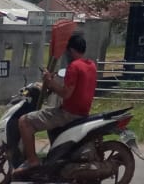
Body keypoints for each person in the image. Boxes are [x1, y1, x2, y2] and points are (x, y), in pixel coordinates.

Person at [15, 32, 98, 174]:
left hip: (68, 114)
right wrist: (53, 83)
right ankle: (57, 160)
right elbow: (76, 89)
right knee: (51, 124)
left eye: (67, 50)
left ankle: (32, 160)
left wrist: (49, 81)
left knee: (24, 122)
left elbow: (66, 93)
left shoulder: (74, 67)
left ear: (71, 50)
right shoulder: (91, 65)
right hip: (81, 112)